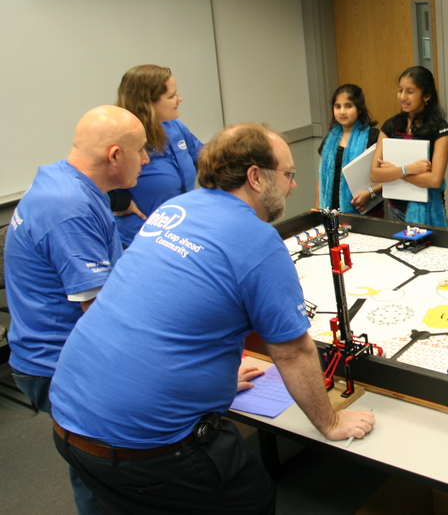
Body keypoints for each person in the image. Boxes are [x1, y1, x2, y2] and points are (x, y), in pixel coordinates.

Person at [48, 123, 375, 515]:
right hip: (146, 447)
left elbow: (163, 309)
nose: (292, 185)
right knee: (252, 497)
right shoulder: (256, 240)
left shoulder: (174, 209)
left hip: (68, 419)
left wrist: (210, 378)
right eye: (288, 174)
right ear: (256, 177)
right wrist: (330, 423)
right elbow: (292, 352)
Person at [4, 105, 149, 515]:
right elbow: (101, 317)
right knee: (104, 468)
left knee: (98, 465)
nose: (146, 159)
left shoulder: (69, 184)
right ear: (115, 155)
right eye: (141, 150)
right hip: (58, 362)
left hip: (61, 351)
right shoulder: (69, 207)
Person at [110, 64, 204, 246]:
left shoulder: (174, 126)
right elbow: (91, 180)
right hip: (140, 240)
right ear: (147, 103)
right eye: (171, 96)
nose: (180, 99)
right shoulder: (121, 138)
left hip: (181, 234)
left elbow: (203, 157)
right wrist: (120, 202)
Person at [371, 66, 448, 227]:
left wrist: (395, 172)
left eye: (410, 91)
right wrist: (407, 169)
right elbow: (375, 174)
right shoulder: (391, 125)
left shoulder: (440, 128)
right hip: (396, 209)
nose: (402, 97)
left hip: (429, 209)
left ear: (426, 95)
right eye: (400, 90)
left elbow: (435, 180)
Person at [316, 83, 382, 214]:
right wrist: (318, 212)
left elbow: (391, 177)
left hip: (365, 212)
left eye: (348, 106)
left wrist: (370, 193)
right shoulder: (330, 138)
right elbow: (321, 181)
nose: (342, 111)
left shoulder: (373, 137)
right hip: (332, 212)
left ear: (359, 109)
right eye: (337, 106)